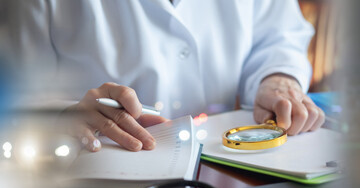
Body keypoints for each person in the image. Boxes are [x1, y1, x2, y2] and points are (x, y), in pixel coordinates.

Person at [3, 0, 325, 152]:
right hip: (92, 180)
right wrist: (63, 114)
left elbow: (279, 35)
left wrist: (277, 78)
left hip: (224, 169)